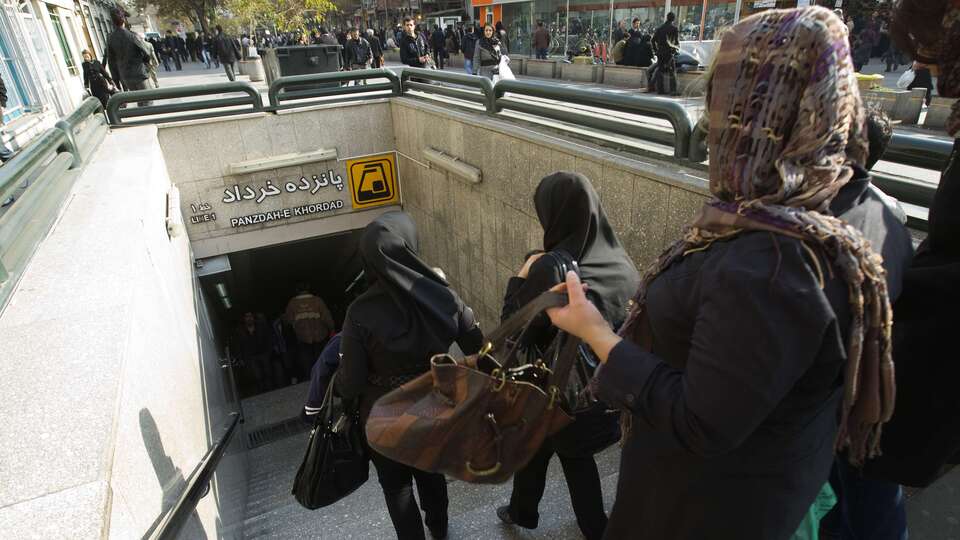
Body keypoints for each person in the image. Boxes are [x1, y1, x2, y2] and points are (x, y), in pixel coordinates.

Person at [541, 7, 910, 539]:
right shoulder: (870, 212)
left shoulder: (770, 264)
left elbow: (702, 422)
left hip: (702, 508)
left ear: (752, 113)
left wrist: (595, 332)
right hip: (785, 483)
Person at [495, 172, 639, 540]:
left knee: (572, 458)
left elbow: (514, 331)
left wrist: (521, 277)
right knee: (538, 443)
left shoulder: (552, 267)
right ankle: (520, 509)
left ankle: (597, 530)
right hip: (611, 390)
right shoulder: (620, 261)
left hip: (568, 398)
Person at [336, 211, 483, 540]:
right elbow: (478, 347)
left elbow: (352, 381)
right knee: (432, 472)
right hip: (433, 405)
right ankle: (439, 529)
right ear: (410, 246)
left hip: (381, 414)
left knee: (396, 487)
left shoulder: (358, 312)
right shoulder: (443, 296)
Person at [284, 283, 335, 380]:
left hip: (302, 337)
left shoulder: (292, 303)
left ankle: (311, 380)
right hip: (320, 335)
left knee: (307, 361)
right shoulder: (317, 300)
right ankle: (324, 378)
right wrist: (331, 329)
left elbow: (288, 320)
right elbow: (327, 317)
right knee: (321, 358)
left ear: (297, 290)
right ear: (308, 289)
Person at [105, 8, 152, 106]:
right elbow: (146, 52)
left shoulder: (110, 38)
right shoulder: (132, 36)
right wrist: (146, 65)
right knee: (148, 100)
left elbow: (111, 61)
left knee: (139, 101)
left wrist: (116, 81)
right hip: (139, 73)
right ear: (124, 20)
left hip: (125, 76)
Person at [232, 311, 273, 394]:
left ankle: (270, 390)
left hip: (263, 353)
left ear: (253, 317)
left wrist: (269, 351)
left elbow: (268, 338)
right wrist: (240, 358)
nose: (249, 318)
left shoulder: (260, 327)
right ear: (244, 319)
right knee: (257, 375)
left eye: (250, 316)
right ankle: (262, 392)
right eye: (247, 317)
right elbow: (238, 345)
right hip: (251, 356)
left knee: (268, 372)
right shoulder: (240, 331)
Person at [651, 12, 680, 95]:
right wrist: (676, 49)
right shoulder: (674, 29)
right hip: (669, 53)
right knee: (672, 71)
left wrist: (656, 50)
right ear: (673, 19)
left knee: (660, 71)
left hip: (660, 53)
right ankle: (673, 91)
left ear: (667, 18)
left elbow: (652, 40)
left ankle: (660, 90)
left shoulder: (660, 28)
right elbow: (676, 42)